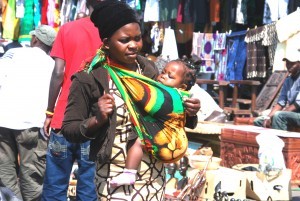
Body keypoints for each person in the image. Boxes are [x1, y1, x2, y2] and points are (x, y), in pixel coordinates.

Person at [61, 1, 200, 200]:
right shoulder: (90, 78)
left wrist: (189, 111)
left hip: (154, 174)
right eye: (125, 40)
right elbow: (69, 129)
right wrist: (97, 119)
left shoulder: (150, 71)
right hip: (114, 176)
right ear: (107, 42)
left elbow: (167, 113)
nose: (134, 45)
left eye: (137, 38)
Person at [41, 0, 102, 200]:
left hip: (64, 118)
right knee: (88, 188)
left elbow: (58, 73)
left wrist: (50, 112)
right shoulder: (114, 33)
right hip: (96, 121)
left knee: (55, 188)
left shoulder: (67, 29)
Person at [109, 59, 196, 187]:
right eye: (163, 72)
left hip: (169, 140)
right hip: (171, 144)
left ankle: (129, 173)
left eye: (170, 76)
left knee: (138, 141)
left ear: (182, 87)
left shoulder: (180, 96)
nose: (163, 76)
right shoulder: (158, 87)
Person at [0, 25, 56, 201]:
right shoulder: (53, 63)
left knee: (5, 169)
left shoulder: (13, 53)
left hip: (4, 119)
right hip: (33, 122)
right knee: (32, 173)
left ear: (35, 40)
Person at [254, 52, 300, 131]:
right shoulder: (288, 80)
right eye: (287, 63)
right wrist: (269, 117)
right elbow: (280, 103)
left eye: (292, 63)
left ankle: (281, 142)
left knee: (279, 116)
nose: (289, 66)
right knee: (259, 121)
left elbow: (297, 104)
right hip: (293, 114)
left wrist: (276, 115)